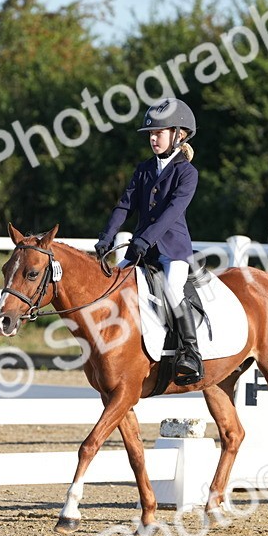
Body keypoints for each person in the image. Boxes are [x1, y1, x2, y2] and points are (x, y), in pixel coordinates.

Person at [95, 98, 203, 386]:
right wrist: (106, 237)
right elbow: (124, 206)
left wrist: (143, 240)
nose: (153, 138)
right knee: (114, 283)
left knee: (172, 287)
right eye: (151, 134)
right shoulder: (144, 169)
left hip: (172, 250)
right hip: (140, 248)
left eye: (159, 132)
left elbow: (170, 214)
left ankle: (191, 352)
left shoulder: (187, 173)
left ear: (179, 135)